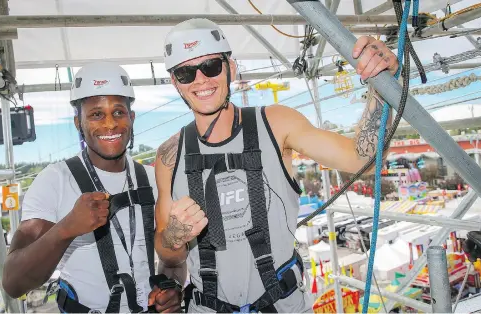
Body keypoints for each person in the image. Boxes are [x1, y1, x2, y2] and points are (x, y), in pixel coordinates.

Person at [153, 18, 399, 312]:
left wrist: (382, 84)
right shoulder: (169, 156)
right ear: (175, 83)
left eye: (211, 67)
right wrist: (175, 234)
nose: (201, 80)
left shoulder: (276, 123)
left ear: (231, 68)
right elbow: (169, 256)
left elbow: (363, 159)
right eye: (185, 73)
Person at [2, 62, 185, 313]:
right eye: (96, 114)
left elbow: (172, 260)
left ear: (131, 118)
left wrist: (170, 287)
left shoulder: (153, 179)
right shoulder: (54, 181)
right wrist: (66, 229)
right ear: (79, 122)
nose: (110, 124)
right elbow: (13, 282)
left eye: (119, 112)